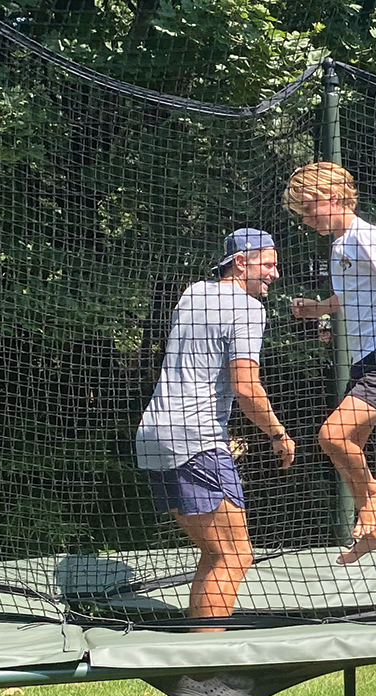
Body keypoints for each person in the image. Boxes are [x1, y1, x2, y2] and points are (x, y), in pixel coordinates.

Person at [136, 228, 296, 626]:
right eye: (269, 264)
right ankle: (208, 663)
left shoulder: (194, 293)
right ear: (241, 262)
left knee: (215, 552)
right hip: (196, 438)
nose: (275, 274)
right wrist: (278, 433)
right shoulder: (249, 309)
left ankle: (202, 645)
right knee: (234, 555)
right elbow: (245, 386)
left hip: (153, 436)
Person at [284, 162, 376, 565]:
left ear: (332, 198)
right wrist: (316, 308)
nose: (307, 220)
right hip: (364, 359)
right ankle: (375, 531)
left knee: (331, 436)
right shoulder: (340, 245)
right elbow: (353, 299)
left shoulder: (367, 236)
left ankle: (373, 497)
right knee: (346, 449)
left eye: (309, 210)